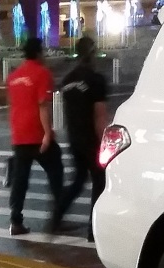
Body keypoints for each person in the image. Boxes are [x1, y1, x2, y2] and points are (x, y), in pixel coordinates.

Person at [6, 37, 64, 236]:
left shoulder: (13, 77)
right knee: (56, 171)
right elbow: (42, 105)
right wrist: (48, 133)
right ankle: (58, 215)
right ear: (39, 52)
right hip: (37, 134)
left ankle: (15, 220)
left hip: (19, 135)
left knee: (20, 178)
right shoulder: (42, 73)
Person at [57, 36, 109, 242]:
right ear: (93, 53)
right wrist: (104, 144)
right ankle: (92, 229)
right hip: (91, 140)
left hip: (74, 138)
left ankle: (57, 216)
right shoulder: (96, 80)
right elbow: (100, 116)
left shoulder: (68, 80)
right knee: (99, 181)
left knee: (78, 181)